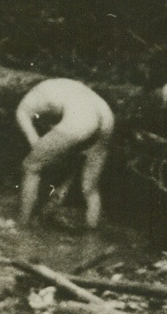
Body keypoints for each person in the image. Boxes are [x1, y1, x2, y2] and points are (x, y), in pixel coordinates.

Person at [16, 78, 114, 229]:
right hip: (106, 115)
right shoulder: (56, 87)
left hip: (81, 117)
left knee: (30, 167)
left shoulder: (23, 108)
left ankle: (22, 225)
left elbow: (35, 144)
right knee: (90, 187)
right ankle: (90, 237)